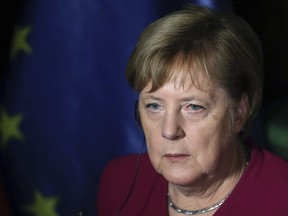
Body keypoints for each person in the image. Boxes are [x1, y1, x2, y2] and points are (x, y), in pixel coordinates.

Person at [96, 4, 288, 215]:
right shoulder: (117, 183)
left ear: (239, 113)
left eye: (193, 107)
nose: (169, 131)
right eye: (154, 106)